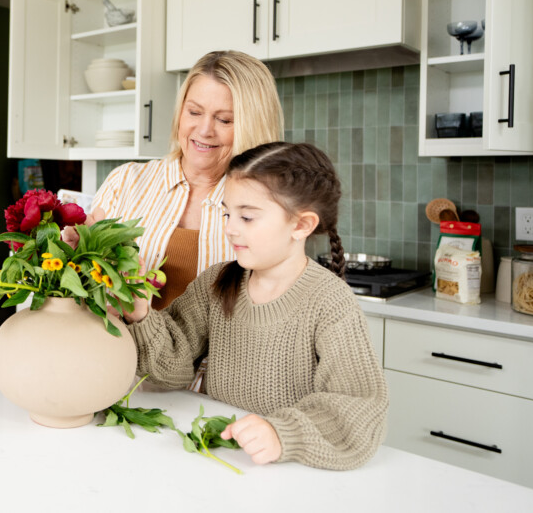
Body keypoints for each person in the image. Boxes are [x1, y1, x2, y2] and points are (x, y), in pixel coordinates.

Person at [126, 142, 388, 470]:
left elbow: (359, 407)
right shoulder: (216, 282)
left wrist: (282, 434)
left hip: (292, 469)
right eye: (227, 213)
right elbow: (173, 366)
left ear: (301, 225)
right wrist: (140, 313)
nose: (230, 227)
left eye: (247, 217)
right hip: (223, 459)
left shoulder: (330, 303)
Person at [76, 51, 283, 317]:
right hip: (122, 354)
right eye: (194, 112)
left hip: (217, 359)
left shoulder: (267, 206)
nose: (204, 130)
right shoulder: (125, 182)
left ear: (252, 125)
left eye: (224, 120)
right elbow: (86, 292)